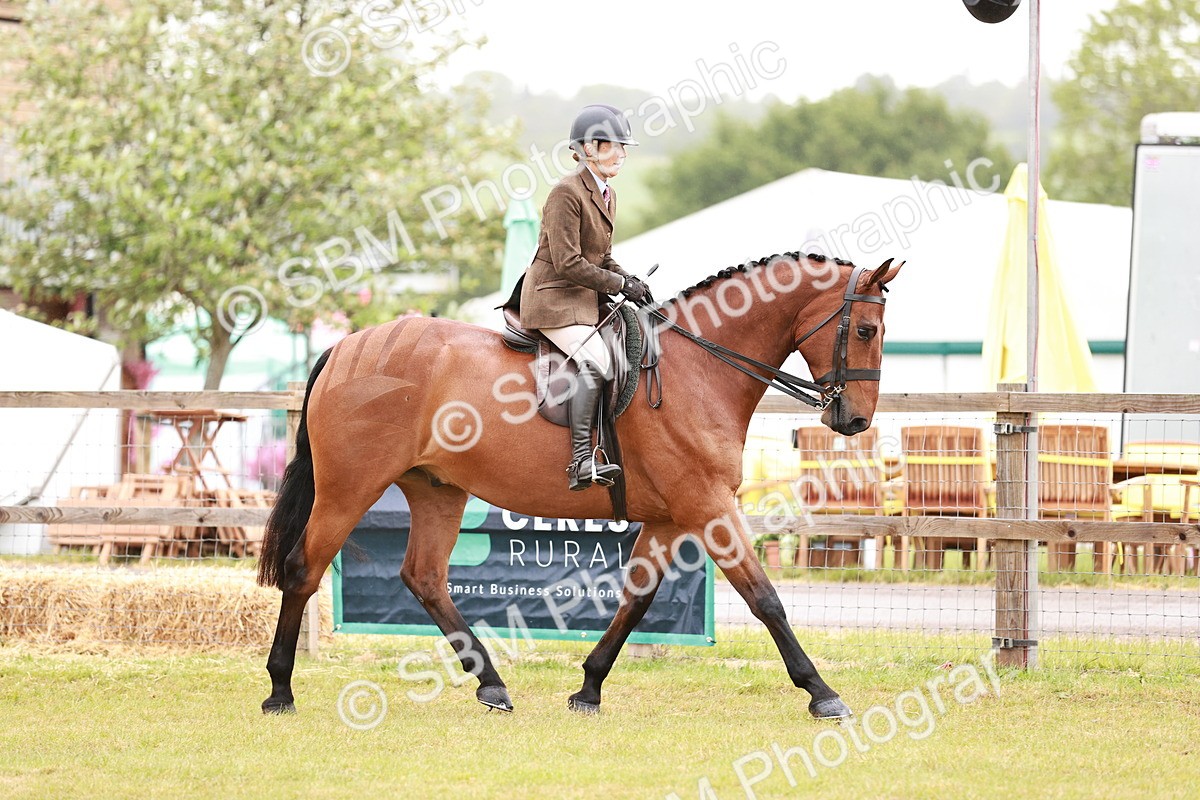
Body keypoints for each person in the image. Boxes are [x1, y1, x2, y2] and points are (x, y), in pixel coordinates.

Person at [519, 104, 651, 491]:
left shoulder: (607, 193)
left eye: (624, 148)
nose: (622, 155)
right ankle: (580, 462)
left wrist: (631, 280)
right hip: (553, 299)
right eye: (614, 147)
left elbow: (603, 257)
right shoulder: (566, 192)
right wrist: (617, 285)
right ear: (589, 147)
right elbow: (567, 262)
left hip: (582, 298)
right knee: (596, 361)